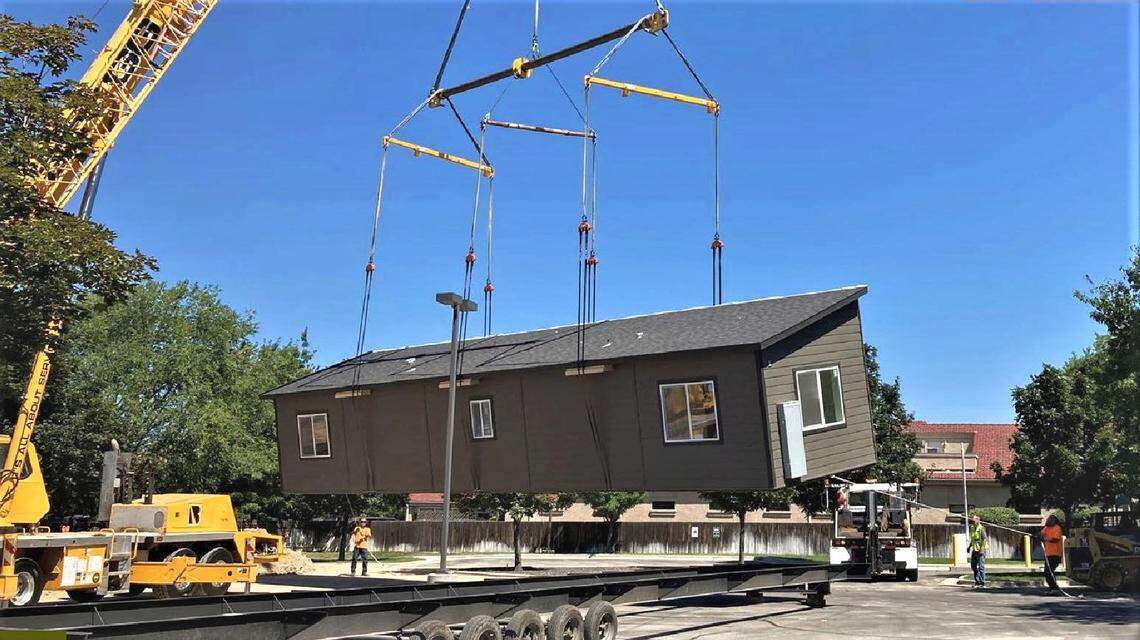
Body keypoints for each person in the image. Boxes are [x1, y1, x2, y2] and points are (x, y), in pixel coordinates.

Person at [1040, 514, 1064, 592]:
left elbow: (1056, 539)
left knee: (1049, 571)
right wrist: (1039, 536)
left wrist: (1046, 539)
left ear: (1055, 521)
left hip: (1056, 554)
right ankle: (1052, 587)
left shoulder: (1057, 528)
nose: (1050, 520)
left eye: (1052, 519)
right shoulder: (1046, 528)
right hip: (1048, 554)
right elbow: (1041, 534)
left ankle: (1054, 588)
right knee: (1047, 572)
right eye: (1049, 519)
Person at [968, 515, 987, 588]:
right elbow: (973, 539)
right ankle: (977, 581)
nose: (972, 522)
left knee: (981, 567)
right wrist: (969, 547)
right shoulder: (972, 528)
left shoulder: (981, 528)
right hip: (974, 549)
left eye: (974, 520)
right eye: (972, 520)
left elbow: (985, 539)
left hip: (980, 550)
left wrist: (982, 548)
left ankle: (982, 583)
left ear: (978, 520)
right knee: (973, 566)